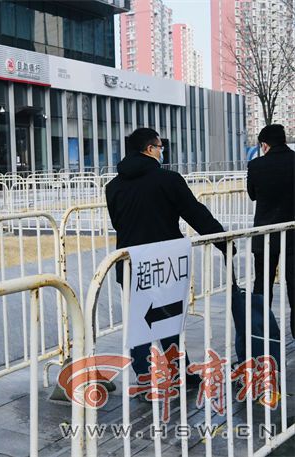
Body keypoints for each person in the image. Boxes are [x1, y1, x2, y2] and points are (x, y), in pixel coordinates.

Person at [106, 128, 228, 383]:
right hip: (164, 262)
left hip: (130, 262)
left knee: (140, 320)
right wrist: (222, 240)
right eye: (160, 147)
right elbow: (194, 213)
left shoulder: (113, 186)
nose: (163, 152)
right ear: (150, 149)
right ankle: (178, 371)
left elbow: (118, 223)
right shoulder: (168, 179)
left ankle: (144, 376)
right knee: (167, 317)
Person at [248, 124, 295, 337]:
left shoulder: (256, 165)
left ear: (264, 145)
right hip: (293, 234)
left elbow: (252, 194)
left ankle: (261, 332)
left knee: (262, 283)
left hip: (265, 235)